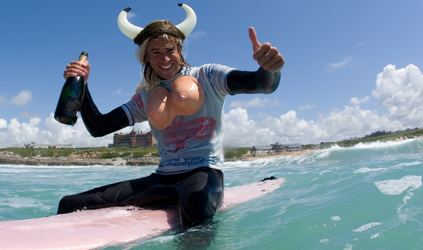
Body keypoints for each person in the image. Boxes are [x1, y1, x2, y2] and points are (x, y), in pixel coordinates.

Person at [57, 4, 284, 227]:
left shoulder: (208, 76)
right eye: (156, 52)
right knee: (69, 204)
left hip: (204, 172)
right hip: (162, 178)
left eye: (170, 51)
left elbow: (261, 84)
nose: (164, 59)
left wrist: (270, 69)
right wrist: (83, 86)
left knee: (195, 204)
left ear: (180, 51)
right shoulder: (145, 97)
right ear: (146, 57)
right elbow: (99, 127)